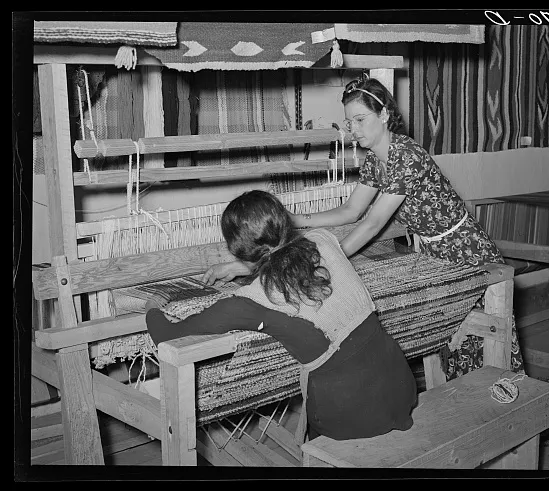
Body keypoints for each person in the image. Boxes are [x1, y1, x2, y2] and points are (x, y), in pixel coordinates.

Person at [284, 74, 523, 381]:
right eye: (349, 122)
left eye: (360, 119)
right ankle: (460, 405)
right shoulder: (374, 160)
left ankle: (496, 399)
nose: (353, 130)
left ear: (384, 115)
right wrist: (298, 220)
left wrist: (331, 260)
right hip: (434, 252)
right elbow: (352, 210)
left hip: (465, 250)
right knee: (450, 334)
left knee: (477, 335)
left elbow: (372, 224)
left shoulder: (406, 156)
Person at [145, 190, 417, 442]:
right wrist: (242, 267)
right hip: (400, 386)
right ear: (285, 223)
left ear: (236, 248)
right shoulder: (323, 241)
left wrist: (151, 308)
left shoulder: (249, 302)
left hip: (348, 413)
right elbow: (294, 261)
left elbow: (168, 336)